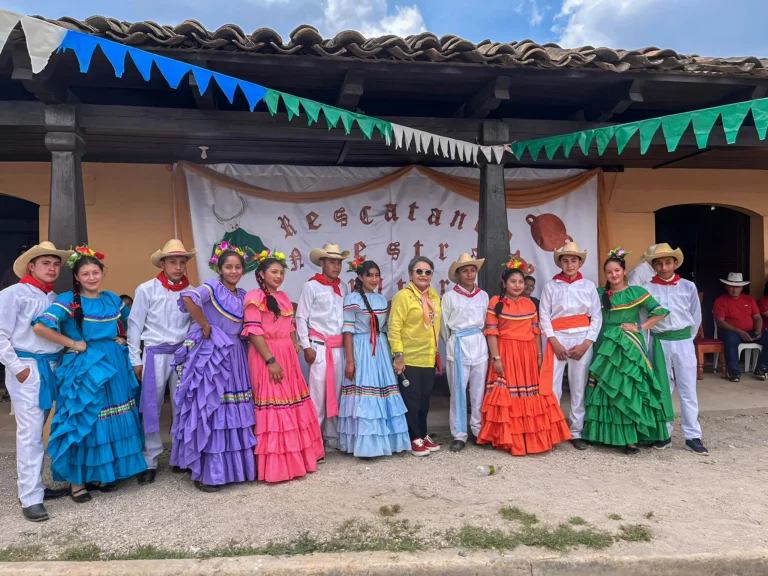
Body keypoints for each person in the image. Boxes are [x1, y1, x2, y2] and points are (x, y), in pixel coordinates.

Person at [33, 246, 146, 503]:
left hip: (113, 364)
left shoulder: (113, 300)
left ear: (102, 273)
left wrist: (124, 337)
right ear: (77, 277)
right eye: (86, 273)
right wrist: (72, 343)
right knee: (83, 418)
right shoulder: (68, 300)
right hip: (84, 365)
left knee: (107, 419)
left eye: (96, 272)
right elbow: (41, 326)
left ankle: (98, 473)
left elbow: (135, 322)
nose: (92, 277)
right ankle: (76, 482)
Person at [170, 243, 256, 492]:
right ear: (219, 268)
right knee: (211, 408)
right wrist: (205, 325)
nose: (233, 271)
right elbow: (188, 298)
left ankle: (235, 468)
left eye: (238, 267)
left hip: (236, 355)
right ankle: (207, 470)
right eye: (228, 267)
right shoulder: (211, 286)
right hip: (214, 354)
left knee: (233, 412)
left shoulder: (242, 294)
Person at [0, 242, 72, 522]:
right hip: (28, 366)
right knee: (29, 432)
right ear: (31, 265)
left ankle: (36, 487)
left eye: (56, 264)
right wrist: (18, 368)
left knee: (41, 426)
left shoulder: (54, 297)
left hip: (51, 366)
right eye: (46, 263)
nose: (52, 268)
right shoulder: (12, 294)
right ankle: (30, 497)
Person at [243, 250, 324, 482]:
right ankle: (276, 465)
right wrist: (270, 361)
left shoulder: (284, 297)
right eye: (274, 272)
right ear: (261, 274)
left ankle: (296, 458)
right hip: (266, 355)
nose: (278, 276)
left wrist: (294, 343)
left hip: (286, 355)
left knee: (291, 403)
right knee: (273, 405)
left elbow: (289, 326)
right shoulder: (254, 296)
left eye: (281, 272)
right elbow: (254, 332)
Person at [582, 248, 673, 455]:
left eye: (617, 270)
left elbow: (659, 311)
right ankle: (604, 435)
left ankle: (631, 439)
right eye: (609, 272)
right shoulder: (599, 293)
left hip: (628, 344)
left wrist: (640, 327)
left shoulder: (636, 292)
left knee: (628, 387)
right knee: (605, 387)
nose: (613, 275)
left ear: (624, 271)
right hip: (605, 343)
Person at [478, 258, 571, 455]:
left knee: (532, 395)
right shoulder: (495, 302)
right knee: (507, 396)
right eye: (513, 282)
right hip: (506, 353)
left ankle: (533, 439)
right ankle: (509, 439)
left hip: (528, 354)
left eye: (521, 282)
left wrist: (539, 355)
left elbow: (536, 331)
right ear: (504, 283)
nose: (518, 285)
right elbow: (492, 333)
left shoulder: (529, 304)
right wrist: (496, 358)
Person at [128, 239, 197, 485]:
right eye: (173, 262)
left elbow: (194, 325)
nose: (178, 267)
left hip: (181, 354)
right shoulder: (146, 289)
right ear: (162, 263)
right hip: (155, 353)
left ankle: (181, 456)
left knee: (182, 405)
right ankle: (150, 459)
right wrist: (135, 358)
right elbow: (135, 325)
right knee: (151, 405)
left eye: (182, 262)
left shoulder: (193, 293)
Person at [340, 258, 410, 457]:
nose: (374, 279)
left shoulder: (380, 299)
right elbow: (347, 331)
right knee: (365, 394)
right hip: (362, 348)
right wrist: (350, 360)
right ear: (360, 277)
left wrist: (394, 354)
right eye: (369, 275)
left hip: (380, 347)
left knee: (383, 393)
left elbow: (385, 328)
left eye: (377, 275)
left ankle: (387, 442)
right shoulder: (352, 299)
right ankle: (365, 445)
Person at [643, 244, 708, 455]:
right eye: (659, 263)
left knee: (688, 388)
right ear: (653, 266)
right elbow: (644, 319)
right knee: (662, 388)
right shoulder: (646, 288)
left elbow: (695, 317)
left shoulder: (688, 286)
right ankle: (664, 433)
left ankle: (693, 435)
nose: (663, 266)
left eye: (668, 262)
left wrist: (686, 339)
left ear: (675, 263)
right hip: (659, 342)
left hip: (682, 341)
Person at [539, 242, 602, 450]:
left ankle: (576, 431)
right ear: (559, 263)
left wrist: (586, 343)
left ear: (580, 262)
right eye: (565, 260)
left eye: (573, 260)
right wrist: (554, 341)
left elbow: (596, 317)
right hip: (557, 338)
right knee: (553, 387)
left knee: (578, 386)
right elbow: (544, 316)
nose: (569, 264)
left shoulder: (589, 286)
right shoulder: (550, 286)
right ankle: (553, 430)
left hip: (581, 337)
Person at [295, 243, 350, 452]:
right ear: (322, 263)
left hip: (339, 348)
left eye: (338, 262)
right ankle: (312, 442)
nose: (336, 266)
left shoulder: (343, 287)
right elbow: (301, 317)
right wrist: (306, 346)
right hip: (319, 347)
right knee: (317, 395)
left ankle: (332, 439)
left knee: (336, 393)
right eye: (332, 262)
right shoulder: (311, 286)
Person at [389, 257, 442, 456]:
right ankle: (413, 437)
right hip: (409, 357)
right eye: (419, 271)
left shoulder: (434, 295)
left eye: (427, 272)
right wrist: (398, 355)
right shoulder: (403, 296)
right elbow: (394, 327)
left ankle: (423, 433)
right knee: (411, 399)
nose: (423, 275)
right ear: (411, 274)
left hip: (428, 356)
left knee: (425, 398)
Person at [440, 253, 489, 452]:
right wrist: (453, 342)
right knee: (458, 392)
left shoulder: (483, 295)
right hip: (458, 343)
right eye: (464, 271)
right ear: (458, 274)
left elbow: (486, 322)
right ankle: (459, 434)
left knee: (478, 392)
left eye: (472, 270)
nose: (469, 274)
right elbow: (444, 327)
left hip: (479, 343)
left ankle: (477, 430)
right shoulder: (449, 297)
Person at [713, 272, 768, 382]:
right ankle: (734, 372)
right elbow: (720, 322)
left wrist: (757, 330)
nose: (734, 290)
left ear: (742, 287)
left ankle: (762, 369)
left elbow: (757, 317)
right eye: (731, 287)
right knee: (731, 338)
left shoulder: (749, 299)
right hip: (729, 331)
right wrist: (740, 332)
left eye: (737, 287)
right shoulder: (720, 300)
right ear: (726, 287)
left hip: (750, 331)